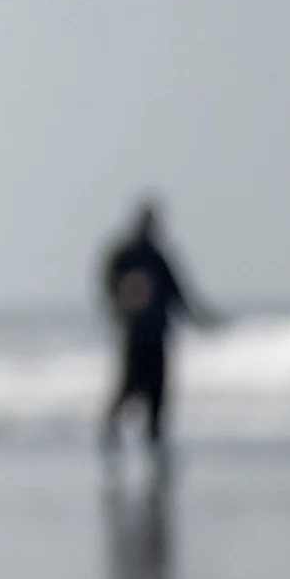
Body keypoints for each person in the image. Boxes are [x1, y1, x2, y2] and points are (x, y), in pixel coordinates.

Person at [99, 197, 214, 460]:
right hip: (135, 334)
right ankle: (112, 434)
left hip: (157, 333)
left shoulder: (158, 256)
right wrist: (119, 309)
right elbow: (110, 287)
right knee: (129, 387)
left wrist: (201, 318)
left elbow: (177, 292)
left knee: (157, 392)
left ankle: (153, 439)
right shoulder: (125, 254)